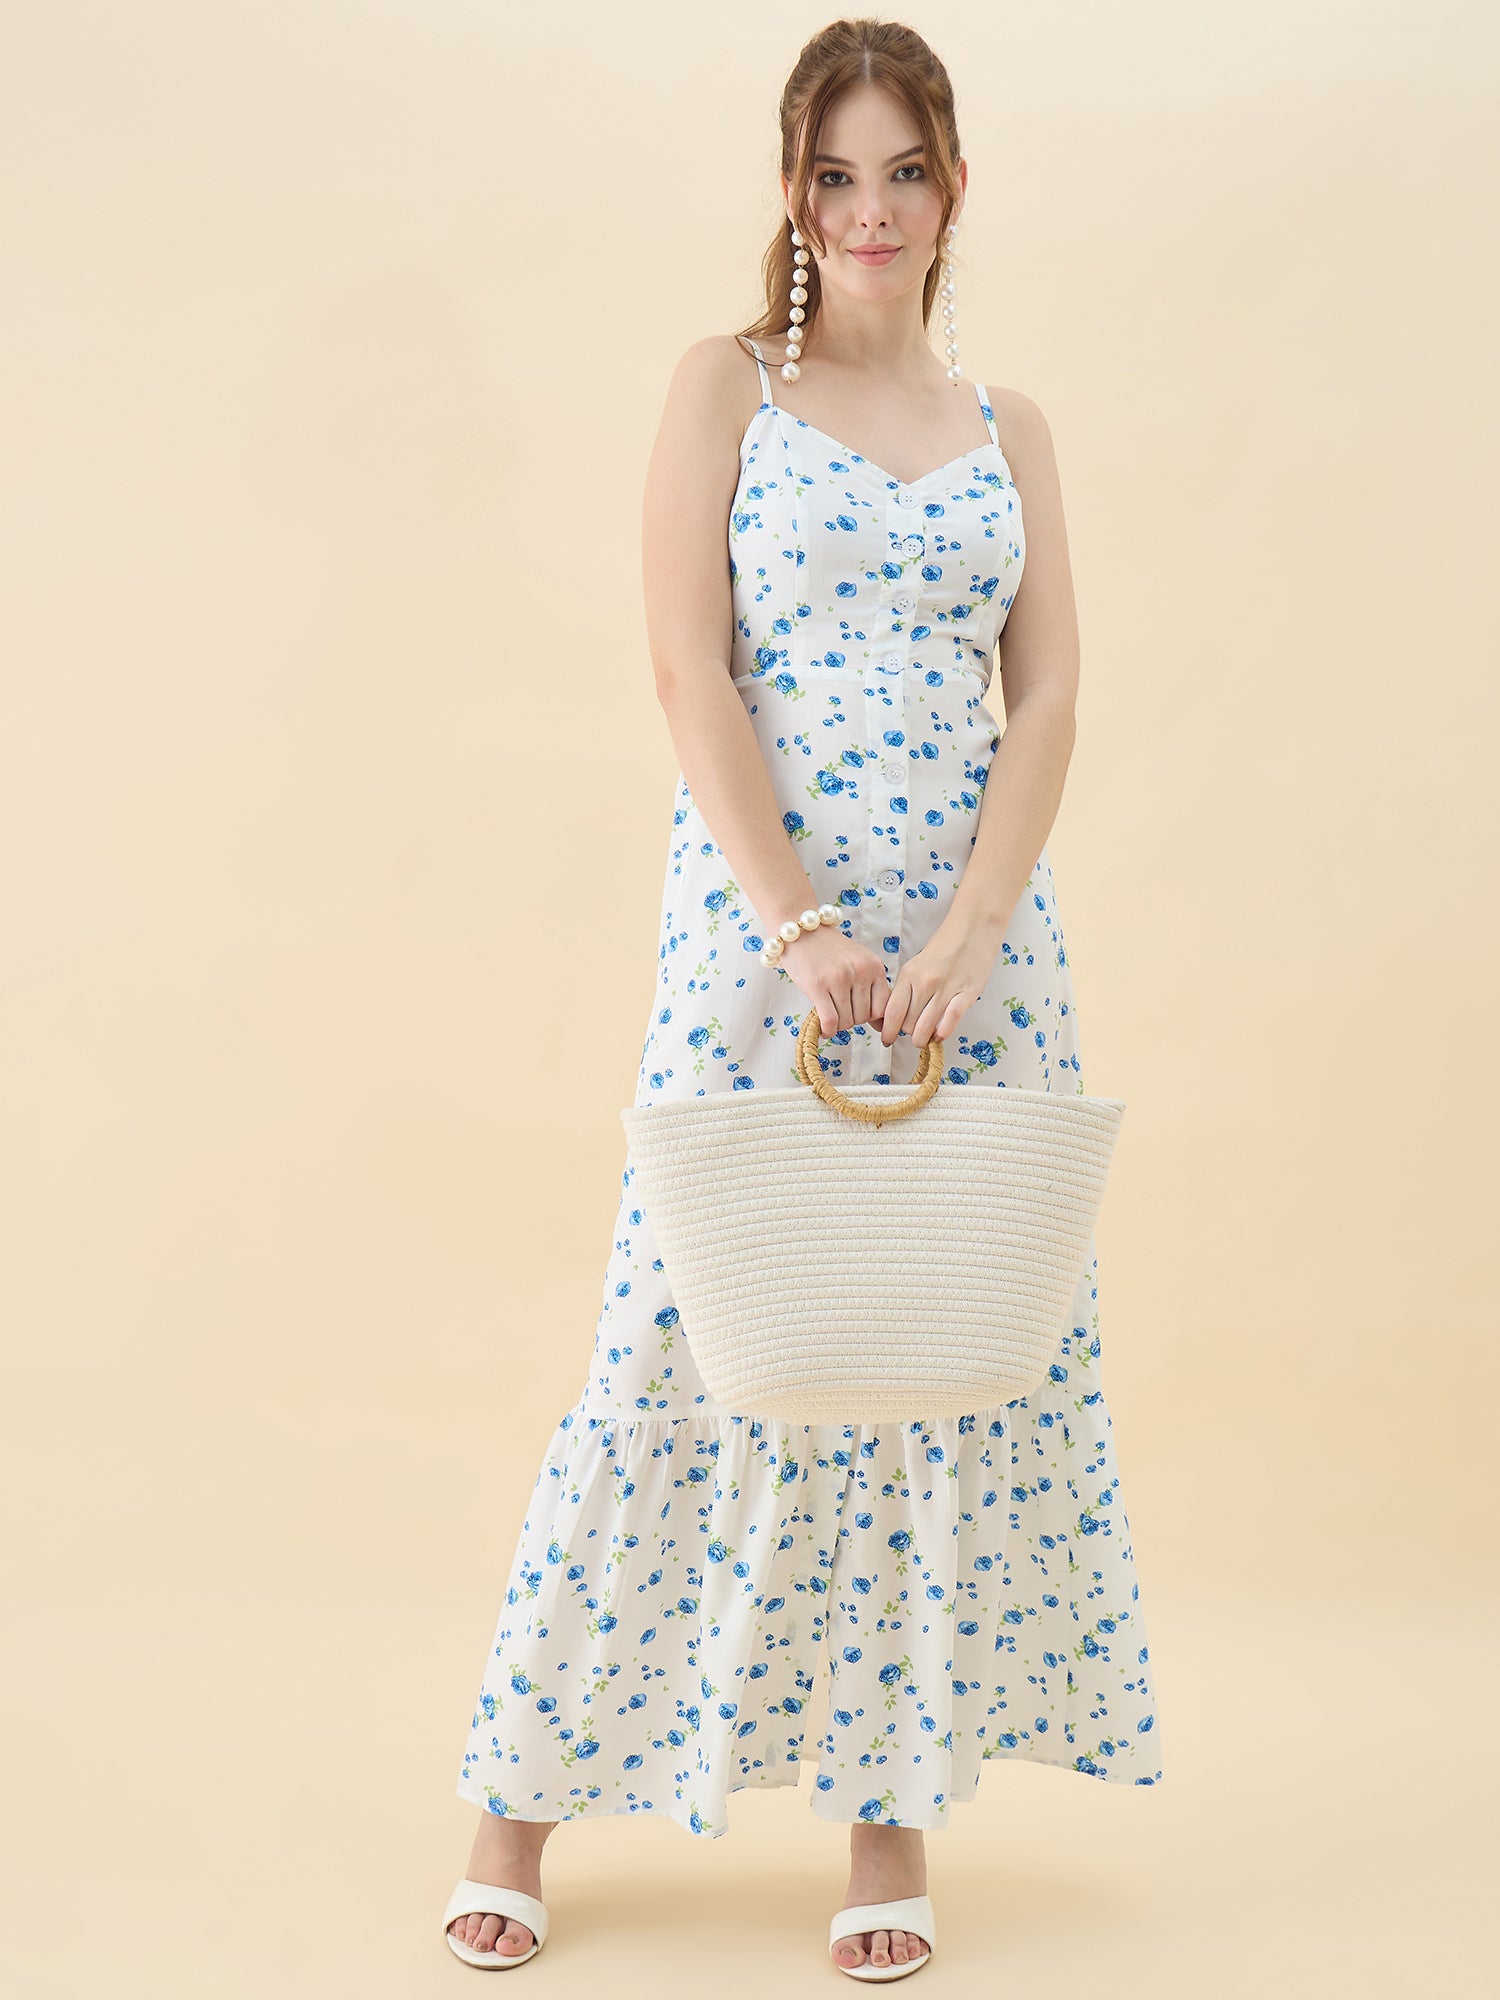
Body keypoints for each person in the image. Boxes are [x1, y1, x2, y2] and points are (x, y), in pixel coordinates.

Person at [442, 17, 1163, 1981]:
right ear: (791, 188)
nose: (868, 211)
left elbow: (1055, 693)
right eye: (833, 174)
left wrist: (973, 932)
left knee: (924, 1361)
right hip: (766, 945)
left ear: (951, 189)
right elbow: (689, 669)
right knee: (672, 1346)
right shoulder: (724, 391)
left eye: (903, 172)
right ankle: (514, 1798)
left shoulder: (1014, 427)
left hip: (970, 963)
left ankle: (887, 1829)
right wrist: (798, 922)